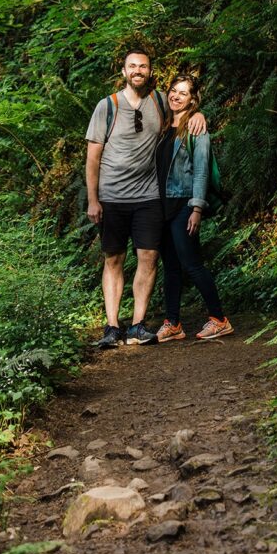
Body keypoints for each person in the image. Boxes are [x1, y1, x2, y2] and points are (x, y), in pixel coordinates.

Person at [86, 50, 206, 349]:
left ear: (150, 71)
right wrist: (93, 200)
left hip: (149, 196)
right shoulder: (107, 106)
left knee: (149, 258)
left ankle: (138, 325)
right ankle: (113, 326)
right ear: (124, 70)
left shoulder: (159, 101)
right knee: (113, 259)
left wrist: (200, 113)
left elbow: (184, 108)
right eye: (132, 66)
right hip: (112, 197)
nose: (137, 71)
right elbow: (92, 158)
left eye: (143, 66)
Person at [155, 74, 233, 342]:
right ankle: (173, 323)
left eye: (183, 93)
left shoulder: (196, 128)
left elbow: (201, 171)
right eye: (173, 91)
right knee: (171, 267)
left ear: (193, 99)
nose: (176, 96)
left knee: (192, 264)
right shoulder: (164, 125)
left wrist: (197, 208)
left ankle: (219, 319)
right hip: (163, 205)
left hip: (185, 203)